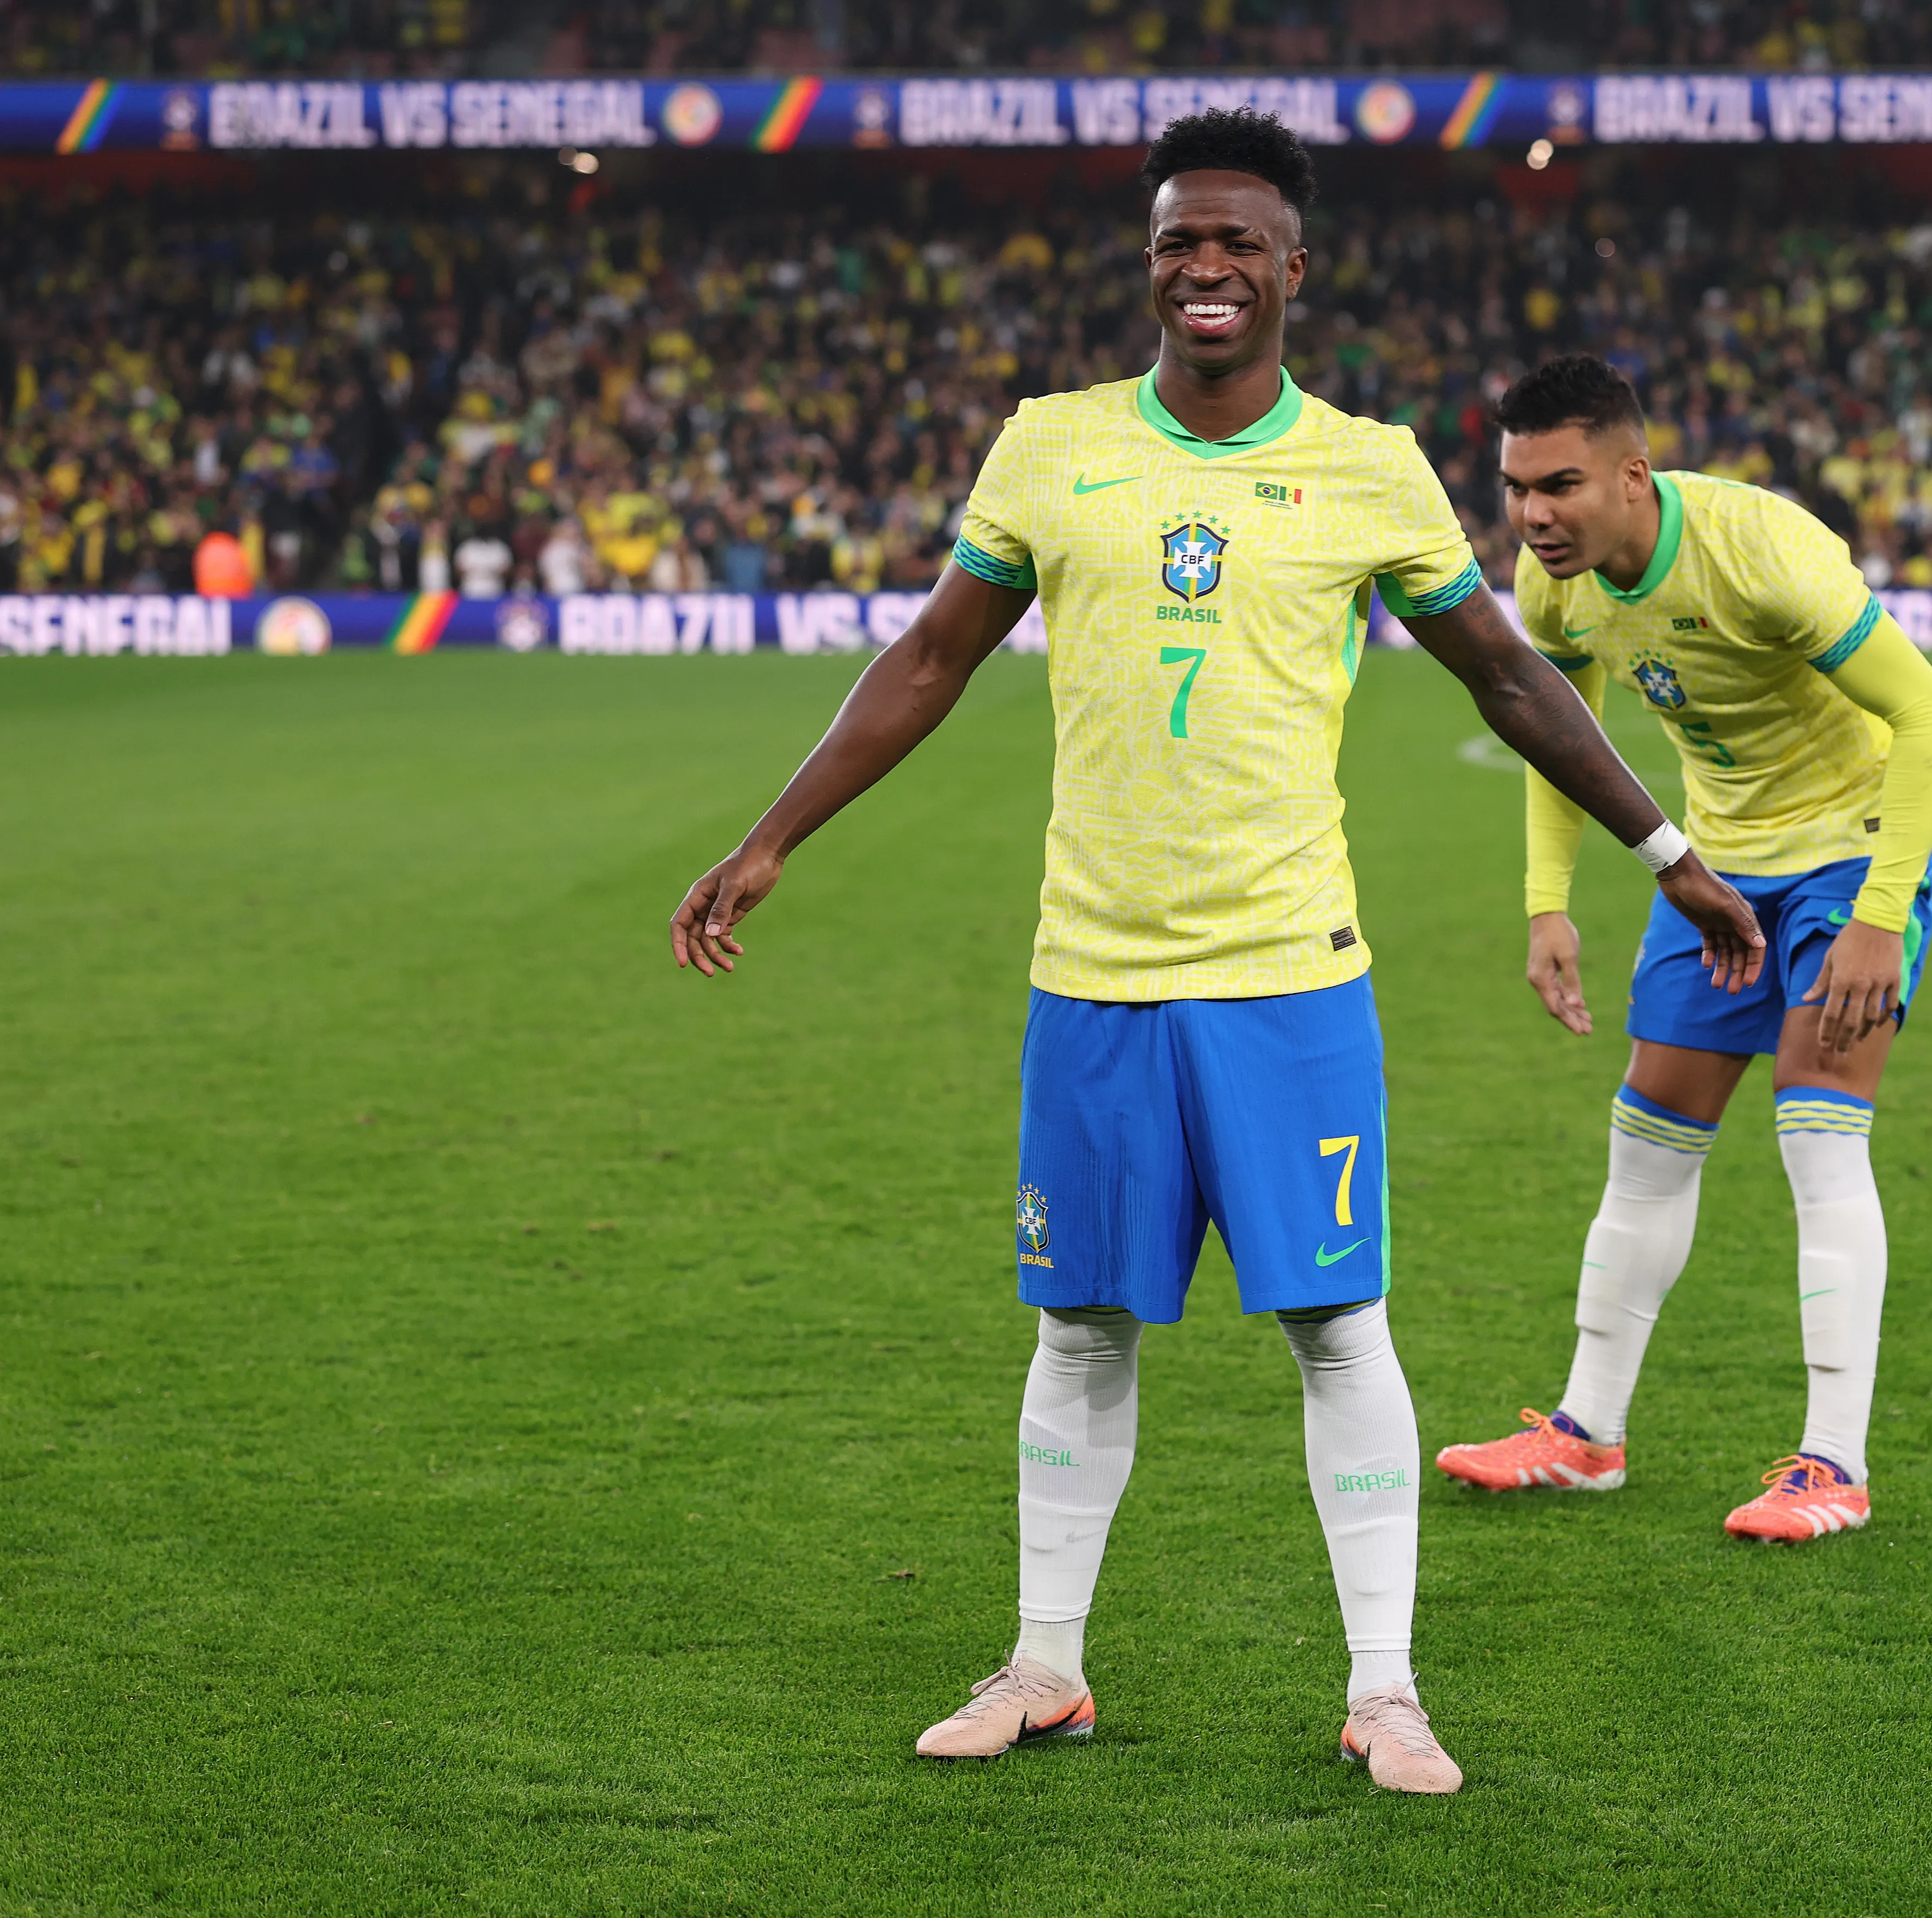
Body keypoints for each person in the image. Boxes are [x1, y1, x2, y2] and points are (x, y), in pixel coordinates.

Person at [668, 115, 1763, 1793]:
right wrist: (769, 838)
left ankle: (1383, 1691)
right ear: (1149, 260)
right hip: (1091, 967)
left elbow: (1508, 677)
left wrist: (1665, 855)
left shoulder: (1368, 466)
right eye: (1179, 238)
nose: (1204, 266)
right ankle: (1045, 1666)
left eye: (1236, 241)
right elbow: (930, 656)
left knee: (1335, 1326)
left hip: (1286, 971)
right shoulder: (1049, 446)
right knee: (1078, 1328)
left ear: (1290, 269)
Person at [1435, 354, 1932, 1544]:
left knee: (1817, 1135)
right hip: (1716, 871)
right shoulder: (1555, 588)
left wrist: (1881, 915)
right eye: (1517, 488)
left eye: (1560, 485)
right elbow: (1556, 733)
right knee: (1645, 1146)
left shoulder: (1759, 551)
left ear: (1632, 475)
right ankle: (1586, 1436)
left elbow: (1931, 713)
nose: (1533, 515)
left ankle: (1834, 1465)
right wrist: (1547, 902)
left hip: (1852, 855)